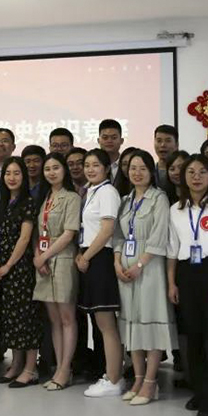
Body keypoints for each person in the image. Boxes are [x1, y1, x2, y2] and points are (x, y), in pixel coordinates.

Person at [167, 155, 208, 416]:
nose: (196, 177)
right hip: (186, 272)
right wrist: (172, 283)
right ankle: (199, 389)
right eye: (191, 172)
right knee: (192, 335)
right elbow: (172, 249)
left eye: (202, 172)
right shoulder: (176, 209)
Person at [113, 150, 174, 406]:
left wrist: (140, 264)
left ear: (151, 172)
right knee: (131, 324)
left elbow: (159, 236)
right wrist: (117, 262)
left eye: (142, 168)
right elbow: (117, 236)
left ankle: (151, 382)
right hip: (125, 270)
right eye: (133, 168)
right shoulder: (125, 200)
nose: (137, 173)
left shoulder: (159, 198)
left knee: (151, 322)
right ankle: (137, 379)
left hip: (150, 268)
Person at [76, 149, 125, 398]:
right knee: (100, 322)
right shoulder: (91, 191)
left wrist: (86, 256)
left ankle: (114, 378)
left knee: (106, 324)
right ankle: (112, 374)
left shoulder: (107, 192)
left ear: (106, 168)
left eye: (96, 165)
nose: (90, 169)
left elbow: (107, 230)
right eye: (87, 165)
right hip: (91, 256)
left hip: (101, 258)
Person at [0, 157, 43, 388]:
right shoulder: (3, 203)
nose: (11, 178)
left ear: (24, 176)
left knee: (26, 318)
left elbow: (24, 238)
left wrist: (8, 265)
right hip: (2, 268)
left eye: (17, 173)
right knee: (10, 318)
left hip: (20, 268)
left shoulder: (28, 203)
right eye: (8, 173)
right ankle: (16, 365)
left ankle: (30, 369)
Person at [32, 152, 81, 391]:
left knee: (67, 318)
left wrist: (44, 256)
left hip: (62, 260)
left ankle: (65, 369)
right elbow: (38, 233)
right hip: (43, 262)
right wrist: (37, 257)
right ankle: (59, 368)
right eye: (47, 169)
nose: (51, 172)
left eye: (56, 168)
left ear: (64, 170)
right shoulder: (45, 198)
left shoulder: (72, 197)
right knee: (54, 320)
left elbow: (69, 233)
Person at [153, 125, 179, 189]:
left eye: (168, 141)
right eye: (159, 141)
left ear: (176, 145)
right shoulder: (150, 172)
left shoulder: (185, 172)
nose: (163, 145)